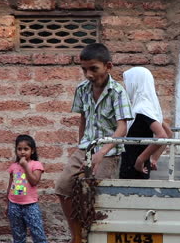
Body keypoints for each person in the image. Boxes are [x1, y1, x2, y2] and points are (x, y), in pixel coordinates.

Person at [55, 43, 133, 243]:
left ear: (108, 66)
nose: (88, 74)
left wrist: (103, 152)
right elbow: (83, 118)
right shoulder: (81, 89)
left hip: (109, 151)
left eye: (93, 69)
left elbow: (122, 128)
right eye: (84, 69)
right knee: (63, 187)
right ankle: (76, 236)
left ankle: (97, 236)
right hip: (86, 148)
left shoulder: (117, 92)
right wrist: (81, 145)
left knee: (96, 195)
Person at [119, 66, 173, 179]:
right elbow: (168, 134)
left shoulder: (142, 108)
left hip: (134, 167)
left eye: (127, 82)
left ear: (135, 82)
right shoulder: (148, 107)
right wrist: (154, 158)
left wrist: (140, 159)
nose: (125, 87)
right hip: (136, 165)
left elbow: (162, 136)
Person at [6, 134, 47, 243]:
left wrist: (25, 166)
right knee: (18, 235)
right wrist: (8, 203)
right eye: (19, 149)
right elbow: (10, 185)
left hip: (31, 205)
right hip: (14, 205)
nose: (22, 152)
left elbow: (34, 181)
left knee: (38, 233)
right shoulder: (13, 166)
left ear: (32, 151)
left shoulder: (36, 164)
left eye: (26, 149)